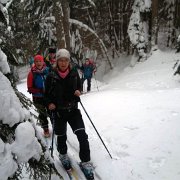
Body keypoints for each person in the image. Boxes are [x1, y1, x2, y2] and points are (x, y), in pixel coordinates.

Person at [44, 49, 94, 179]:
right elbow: (46, 95)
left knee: (82, 135)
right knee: (61, 136)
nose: (63, 63)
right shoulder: (51, 76)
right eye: (61, 60)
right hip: (59, 112)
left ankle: (86, 161)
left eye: (66, 60)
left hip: (73, 111)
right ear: (57, 61)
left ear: (68, 61)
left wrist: (78, 91)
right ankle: (63, 154)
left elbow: (78, 87)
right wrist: (50, 103)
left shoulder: (73, 73)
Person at [27, 54, 50, 137]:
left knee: (51, 112)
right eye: (36, 61)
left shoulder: (48, 71)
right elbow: (29, 88)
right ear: (34, 62)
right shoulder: (32, 74)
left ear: (43, 61)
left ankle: (56, 126)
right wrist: (39, 90)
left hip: (48, 97)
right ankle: (46, 129)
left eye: (40, 61)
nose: (38, 63)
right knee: (42, 114)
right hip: (38, 98)